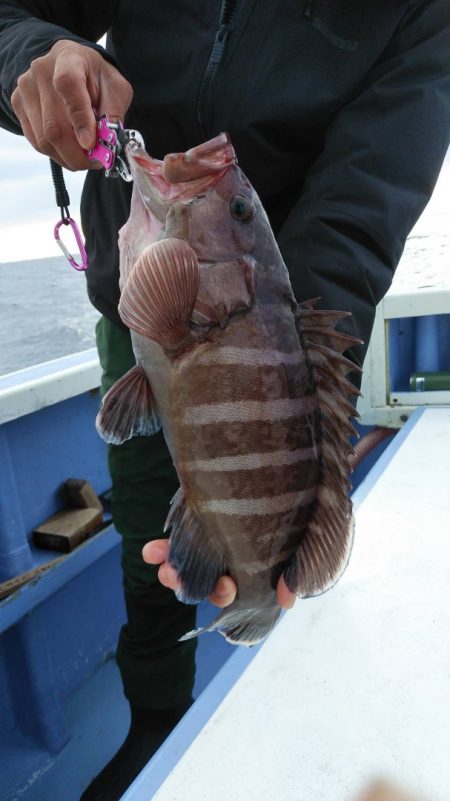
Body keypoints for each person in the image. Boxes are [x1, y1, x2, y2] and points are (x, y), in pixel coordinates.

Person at [0, 2, 449, 800]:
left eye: (232, 194)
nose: (221, 163)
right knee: (149, 535)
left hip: (290, 314)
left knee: (267, 560)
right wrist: (34, 55)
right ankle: (157, 714)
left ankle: (274, 656)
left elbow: (355, 215)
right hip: (137, 327)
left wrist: (299, 411)